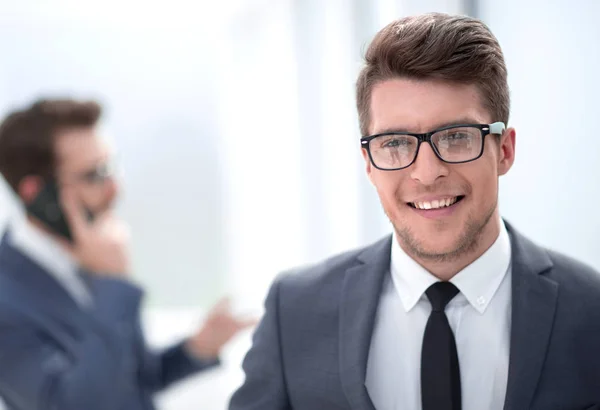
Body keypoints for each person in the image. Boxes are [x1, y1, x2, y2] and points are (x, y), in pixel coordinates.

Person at [229, 12, 600, 410]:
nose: (426, 173)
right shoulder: (295, 310)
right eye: (395, 143)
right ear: (368, 163)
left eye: (456, 137)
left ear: (504, 151)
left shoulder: (591, 311)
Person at [0, 98, 255, 410]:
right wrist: (112, 283)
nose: (115, 188)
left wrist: (195, 349)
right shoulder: (8, 295)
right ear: (35, 193)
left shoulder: (87, 254)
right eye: (95, 175)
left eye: (112, 167)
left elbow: (126, 381)